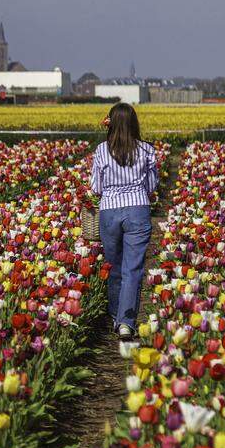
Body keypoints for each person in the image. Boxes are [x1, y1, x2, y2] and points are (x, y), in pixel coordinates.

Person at [89, 103, 158, 340]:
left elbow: (95, 187)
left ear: (111, 123)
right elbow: (151, 186)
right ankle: (126, 322)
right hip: (138, 209)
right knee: (133, 268)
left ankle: (116, 317)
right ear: (133, 123)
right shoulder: (147, 150)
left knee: (114, 267)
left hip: (109, 211)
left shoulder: (101, 150)